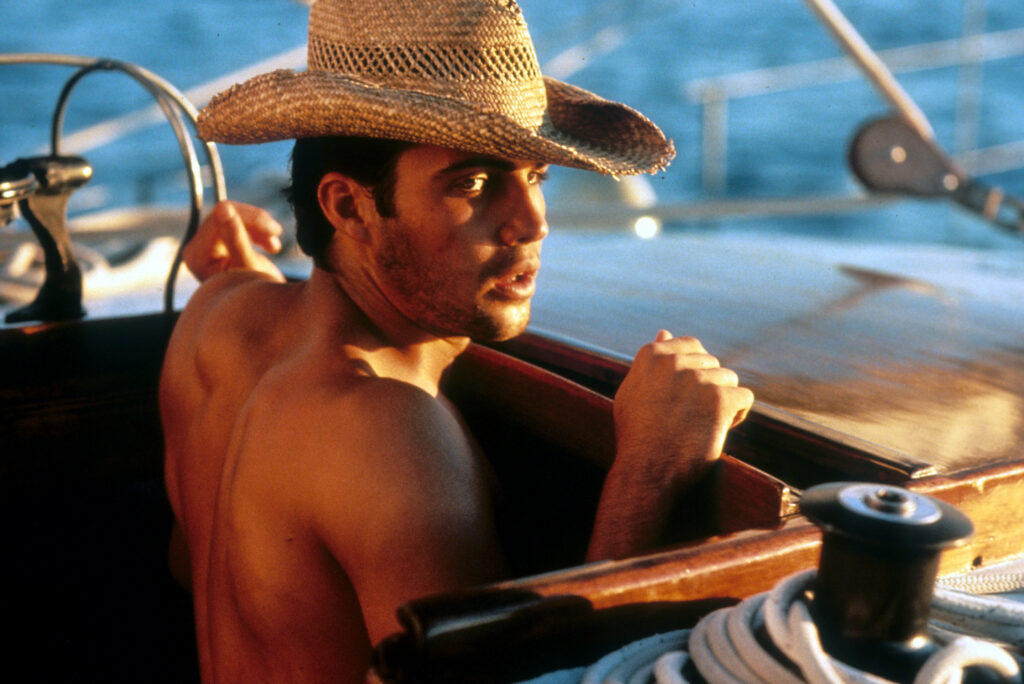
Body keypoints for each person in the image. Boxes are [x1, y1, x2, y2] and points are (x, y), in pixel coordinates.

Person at [159, 0, 754, 681]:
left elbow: (196, 562)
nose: (531, 225)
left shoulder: (217, 313)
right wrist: (649, 471)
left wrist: (243, 270)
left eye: (536, 177)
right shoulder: (383, 426)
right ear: (348, 206)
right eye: (474, 183)